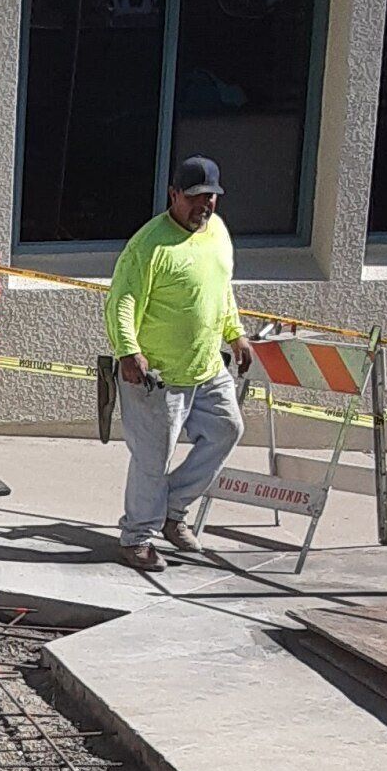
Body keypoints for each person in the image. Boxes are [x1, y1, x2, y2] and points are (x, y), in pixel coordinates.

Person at [104, 156, 252, 572]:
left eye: (210, 199)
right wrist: (128, 351)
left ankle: (173, 511)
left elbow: (221, 291)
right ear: (173, 195)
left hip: (206, 367)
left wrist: (235, 334)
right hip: (157, 376)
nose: (203, 207)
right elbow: (122, 302)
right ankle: (137, 537)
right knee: (154, 458)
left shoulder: (218, 233)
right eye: (194, 198)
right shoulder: (149, 245)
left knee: (227, 429)